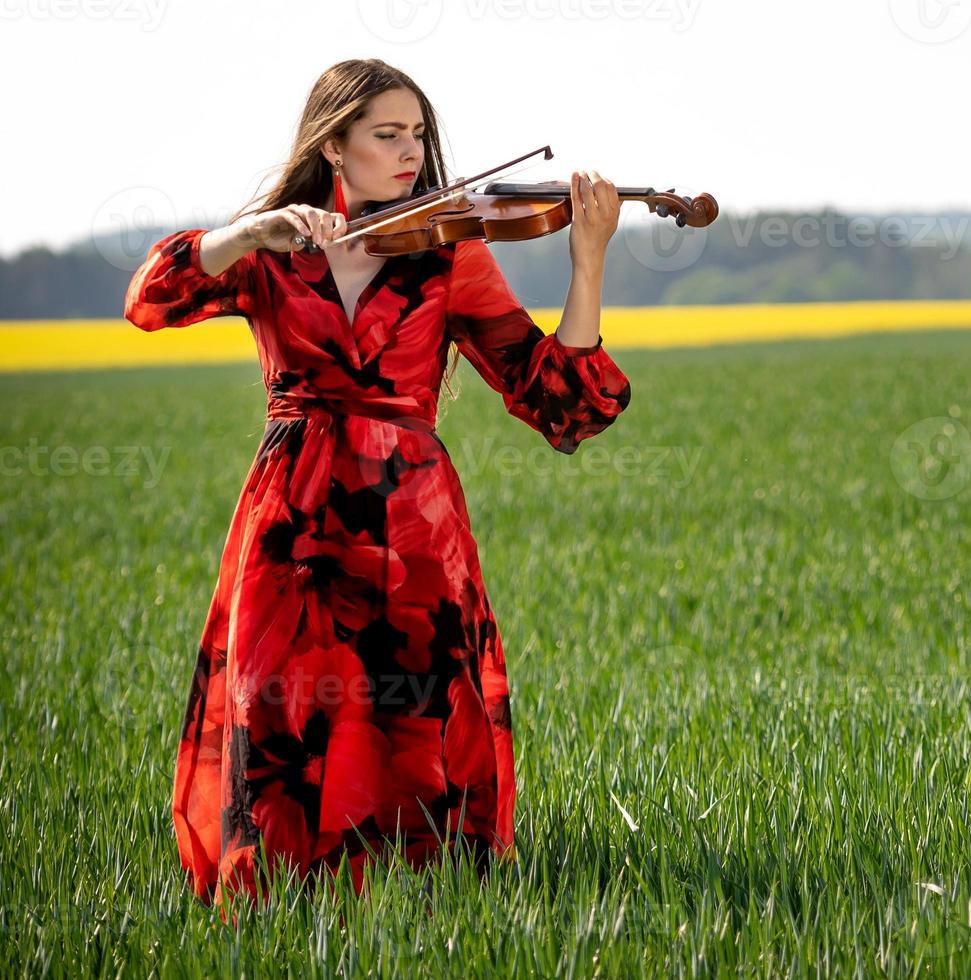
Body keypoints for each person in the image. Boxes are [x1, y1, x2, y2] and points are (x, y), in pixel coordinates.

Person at [122, 58, 631, 911]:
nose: (410, 153)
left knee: (419, 709)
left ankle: (432, 910)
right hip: (292, 515)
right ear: (334, 145)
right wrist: (247, 234)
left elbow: (557, 401)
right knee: (282, 709)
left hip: (412, 517)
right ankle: (278, 909)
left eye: (418, 135)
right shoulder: (270, 254)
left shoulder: (450, 255)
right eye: (387, 135)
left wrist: (588, 262)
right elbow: (150, 298)